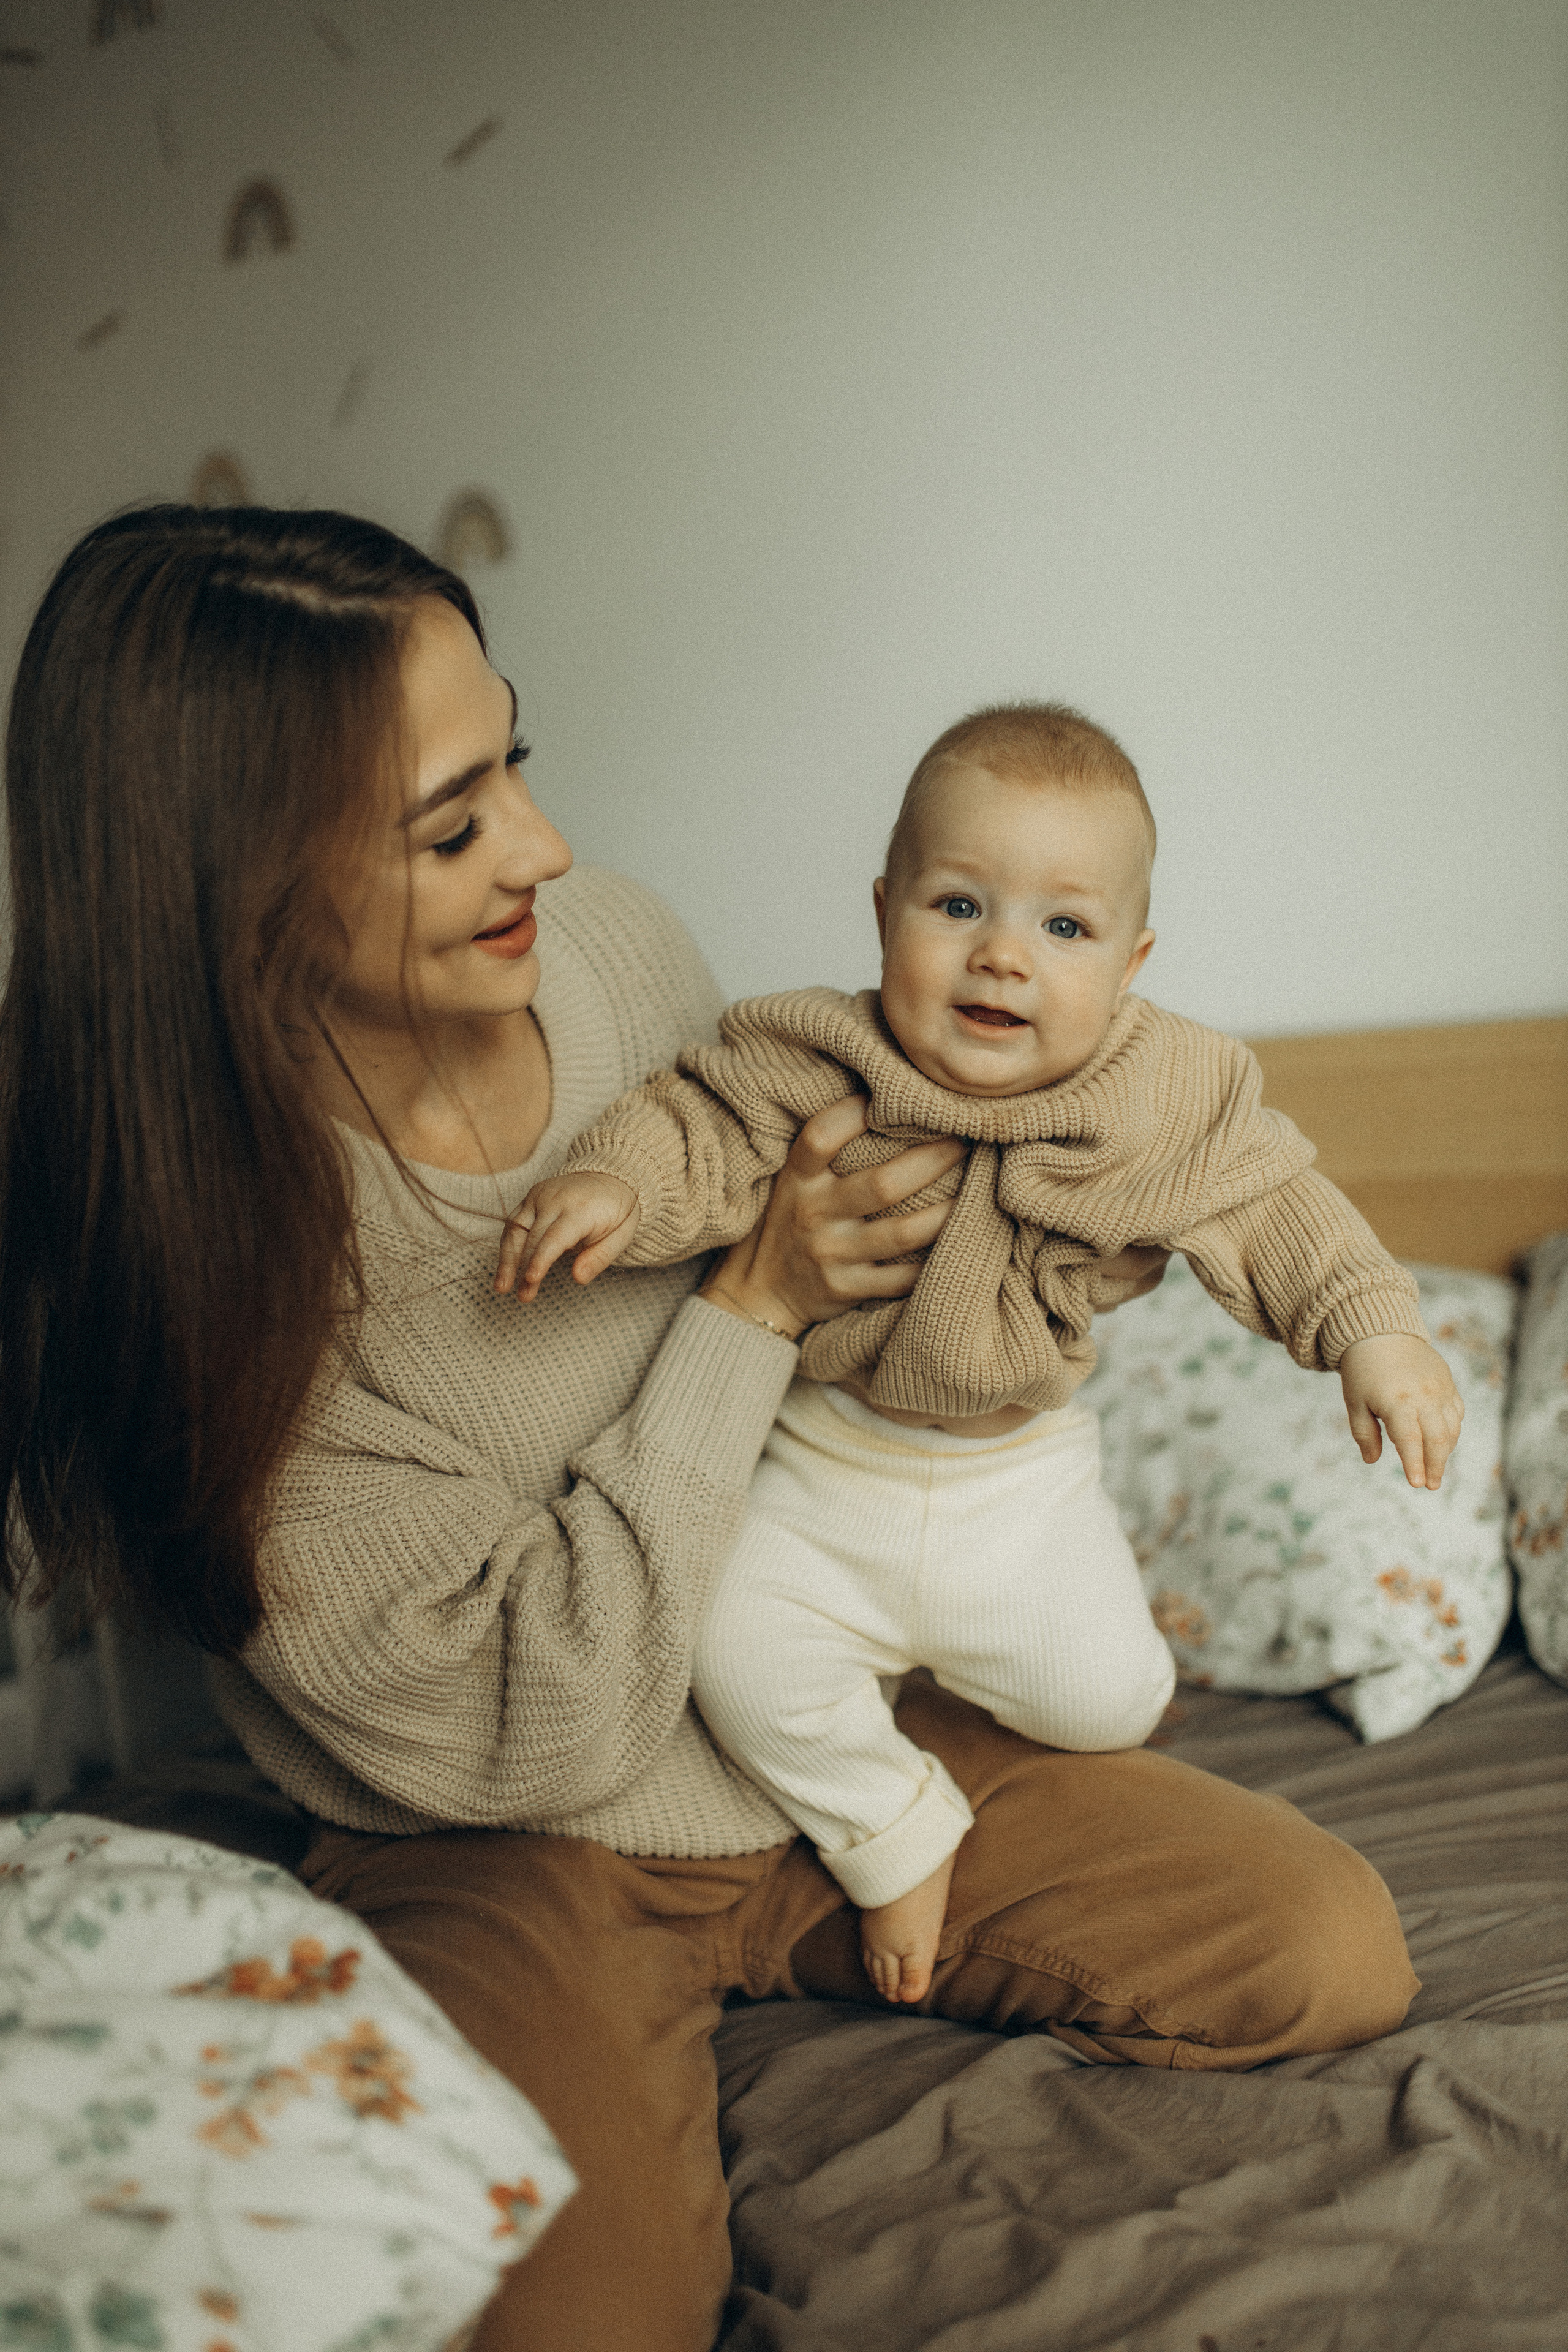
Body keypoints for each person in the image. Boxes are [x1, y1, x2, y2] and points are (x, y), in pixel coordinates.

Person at [0, 510, 1421, 2352]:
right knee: (569, 2322)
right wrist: (750, 1306)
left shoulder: (605, 949)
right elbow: (563, 1718)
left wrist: (1030, 1276)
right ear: (236, 889)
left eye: (517, 756)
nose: (547, 844)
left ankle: (857, 1886)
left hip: (820, 1696)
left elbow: (877, 1190)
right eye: (454, 823)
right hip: (514, 1820)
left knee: (1321, 1945)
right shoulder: (197, 1294)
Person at [496, 703, 1463, 2007]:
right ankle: (892, 1819)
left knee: (1106, 1705)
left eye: (1062, 927)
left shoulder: (1160, 1096)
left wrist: (1374, 1330)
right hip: (822, 1460)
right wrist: (616, 1181)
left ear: (1131, 960)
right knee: (724, 1650)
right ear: (884, 907)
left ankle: (948, 1680)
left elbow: (1274, 1207)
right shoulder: (820, 1052)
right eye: (958, 906)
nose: (1003, 957)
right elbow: (695, 1120)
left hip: (1022, 1487)